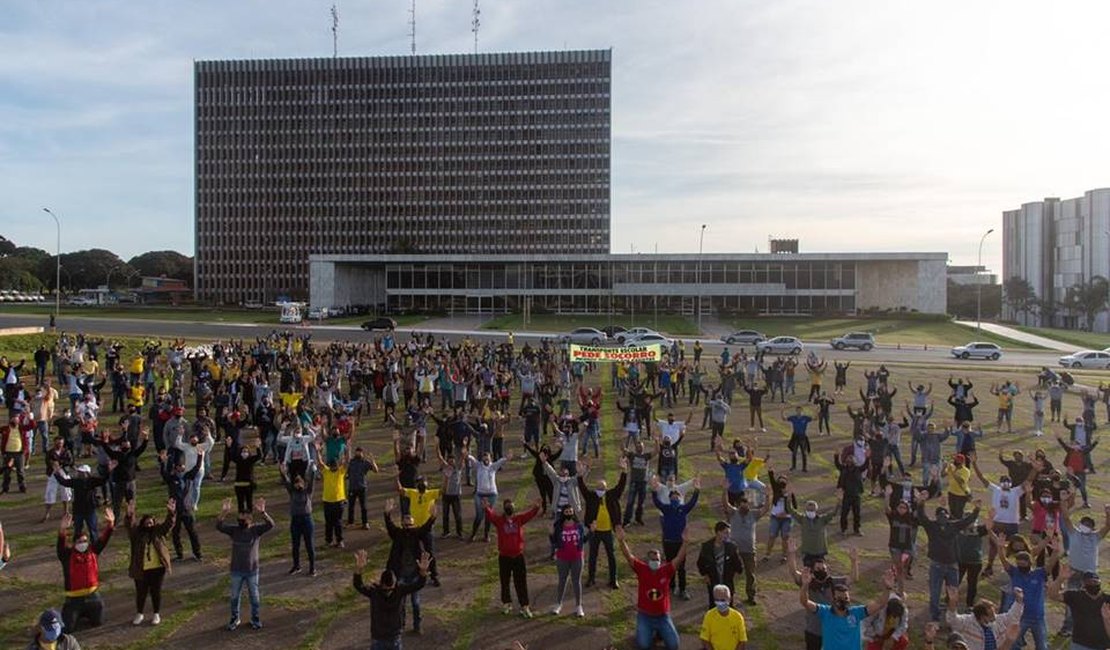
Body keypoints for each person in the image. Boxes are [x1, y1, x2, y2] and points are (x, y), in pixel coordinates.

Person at [617, 524, 689, 650]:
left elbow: (679, 558)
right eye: (652, 559)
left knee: (674, 645)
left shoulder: (666, 570)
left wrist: (685, 542)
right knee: (643, 645)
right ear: (647, 560)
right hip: (645, 615)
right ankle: (649, 631)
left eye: (657, 559)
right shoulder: (642, 569)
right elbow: (629, 556)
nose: (655, 562)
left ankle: (658, 632)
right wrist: (621, 540)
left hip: (663, 616)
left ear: (661, 561)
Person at [798, 565, 897, 650]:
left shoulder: (857, 613)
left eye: (846, 598)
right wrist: (805, 585)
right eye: (840, 598)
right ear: (833, 599)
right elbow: (805, 602)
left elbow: (880, 603)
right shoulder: (825, 612)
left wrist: (887, 588)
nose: (843, 601)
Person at [917, 496, 981, 621]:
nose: (943, 516)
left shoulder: (953, 526)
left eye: (945, 514)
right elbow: (921, 517)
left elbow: (968, 520)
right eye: (940, 514)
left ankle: (952, 617)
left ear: (948, 516)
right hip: (937, 565)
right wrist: (921, 503)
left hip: (952, 565)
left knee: (953, 594)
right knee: (935, 594)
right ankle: (935, 618)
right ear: (936, 516)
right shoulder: (931, 526)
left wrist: (977, 509)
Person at [353, 548, 431, 650]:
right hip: (394, 637)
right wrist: (423, 571)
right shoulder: (400, 591)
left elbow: (358, 585)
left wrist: (359, 569)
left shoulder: (374, 592)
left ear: (381, 582)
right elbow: (418, 585)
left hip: (378, 636)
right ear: (395, 583)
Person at [216, 496, 274, 631]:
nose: (241, 519)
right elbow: (219, 526)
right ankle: (234, 618)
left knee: (254, 597)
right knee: (234, 597)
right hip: (236, 570)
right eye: (240, 517)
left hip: (252, 570)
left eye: (244, 517)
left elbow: (271, 525)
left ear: (250, 519)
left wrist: (263, 513)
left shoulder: (255, 530)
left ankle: (255, 619)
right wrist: (224, 512)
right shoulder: (234, 530)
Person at [1057, 501, 1110, 637]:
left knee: (1092, 601)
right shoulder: (1074, 533)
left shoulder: (1095, 537)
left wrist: (1108, 514)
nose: (1086, 527)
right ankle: (1067, 627)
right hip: (1074, 572)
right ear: (1080, 524)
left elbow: (1107, 526)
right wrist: (1063, 504)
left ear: (1092, 528)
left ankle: (1093, 626)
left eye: (1089, 525)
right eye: (1084, 524)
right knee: (1070, 601)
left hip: (1090, 576)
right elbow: (1067, 518)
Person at [383, 497, 436, 635]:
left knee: (416, 603)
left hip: (413, 576)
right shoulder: (398, 535)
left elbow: (426, 527)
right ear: (402, 525)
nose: (408, 528)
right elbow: (389, 526)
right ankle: (401, 625)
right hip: (400, 575)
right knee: (400, 604)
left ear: (414, 525)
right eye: (406, 525)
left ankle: (417, 626)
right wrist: (387, 514)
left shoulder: (416, 534)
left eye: (410, 525)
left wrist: (432, 517)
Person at [57, 508, 115, 632]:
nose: (82, 543)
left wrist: (110, 524)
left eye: (85, 541)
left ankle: (85, 613)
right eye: (79, 541)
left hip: (92, 596)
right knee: (68, 628)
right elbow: (61, 545)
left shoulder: (92, 551)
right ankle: (75, 613)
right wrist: (62, 530)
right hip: (73, 599)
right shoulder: (67, 555)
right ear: (73, 543)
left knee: (98, 622)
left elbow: (104, 540)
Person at [991, 531, 1048, 650]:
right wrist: (1000, 547)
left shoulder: (1038, 573)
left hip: (1037, 617)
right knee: (1013, 641)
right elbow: (1003, 560)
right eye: (1019, 563)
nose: (1021, 565)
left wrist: (1050, 540)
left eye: (1023, 563)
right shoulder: (1014, 571)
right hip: (1017, 608)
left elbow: (1045, 555)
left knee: (1042, 645)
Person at [486, 497, 542, 618]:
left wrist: (536, 507)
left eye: (511, 506)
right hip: (504, 556)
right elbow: (491, 516)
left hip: (518, 556)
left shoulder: (519, 519)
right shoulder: (500, 521)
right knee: (504, 581)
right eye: (507, 506)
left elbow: (529, 515)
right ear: (505, 509)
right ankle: (506, 603)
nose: (509, 508)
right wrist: (487, 508)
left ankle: (524, 606)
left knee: (521, 582)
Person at [124, 498, 175, 626]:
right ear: (142, 524)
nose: (149, 525)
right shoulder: (137, 535)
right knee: (141, 593)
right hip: (141, 569)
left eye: (151, 523)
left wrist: (171, 513)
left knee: (156, 592)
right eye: (147, 523)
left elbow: (168, 524)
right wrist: (130, 514)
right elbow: (130, 526)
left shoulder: (158, 532)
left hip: (157, 569)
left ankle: (156, 614)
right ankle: (139, 614)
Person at [578, 457, 627, 589]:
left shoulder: (611, 495)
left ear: (606, 488)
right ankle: (591, 578)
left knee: (611, 556)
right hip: (595, 532)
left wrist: (624, 471)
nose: (601, 489)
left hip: (608, 532)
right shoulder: (591, 496)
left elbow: (621, 486)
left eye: (603, 487)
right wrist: (580, 475)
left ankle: (613, 579)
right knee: (593, 556)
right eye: (599, 487)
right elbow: (582, 488)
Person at [653, 477, 700, 599]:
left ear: (680, 498)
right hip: (668, 541)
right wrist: (653, 490)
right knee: (670, 565)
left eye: (677, 496)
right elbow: (657, 502)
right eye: (673, 497)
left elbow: (692, 502)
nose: (675, 498)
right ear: (669, 499)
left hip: (681, 542)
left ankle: (683, 589)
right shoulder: (666, 509)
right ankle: (671, 586)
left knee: (682, 567)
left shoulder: (684, 509)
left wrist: (697, 490)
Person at [1048, 564, 1110, 650]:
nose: (1092, 584)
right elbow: (1053, 595)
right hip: (1079, 644)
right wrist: (1060, 579)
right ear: (1084, 584)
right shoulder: (1075, 596)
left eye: (1095, 582)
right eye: (1089, 582)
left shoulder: (1107, 600)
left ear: (1100, 583)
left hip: (1101, 646)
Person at [157, 449, 203, 561]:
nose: (181, 468)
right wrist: (162, 462)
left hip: (187, 510)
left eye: (183, 466)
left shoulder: (188, 477)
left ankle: (198, 554)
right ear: (175, 467)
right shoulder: (171, 479)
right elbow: (163, 473)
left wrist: (200, 456)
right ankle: (179, 554)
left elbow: (197, 468)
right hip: (175, 511)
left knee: (192, 532)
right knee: (176, 533)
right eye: (179, 466)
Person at [397, 474, 440, 585]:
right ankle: (417, 573)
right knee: (415, 552)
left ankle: (434, 575)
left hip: (426, 528)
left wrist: (447, 477)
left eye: (422, 482)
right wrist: (396, 477)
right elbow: (400, 490)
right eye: (419, 482)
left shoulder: (431, 493)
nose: (421, 484)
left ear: (426, 483)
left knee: (430, 553)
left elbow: (443, 491)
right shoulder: (413, 493)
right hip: (414, 529)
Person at [551, 503, 591, 617]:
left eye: (570, 512)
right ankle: (559, 604)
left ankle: (579, 606)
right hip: (562, 558)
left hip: (577, 557)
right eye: (567, 512)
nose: (569, 513)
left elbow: (583, 540)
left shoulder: (578, 526)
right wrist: (551, 534)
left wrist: (591, 531)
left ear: (573, 513)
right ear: (563, 513)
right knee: (562, 581)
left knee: (576, 581)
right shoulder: (558, 526)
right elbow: (554, 541)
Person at [279, 463, 317, 576]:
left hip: (307, 520)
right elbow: (286, 482)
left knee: (309, 545)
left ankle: (312, 568)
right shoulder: (292, 492)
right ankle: (296, 566)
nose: (298, 485)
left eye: (300, 483)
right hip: (295, 521)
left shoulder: (308, 492)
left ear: (303, 484)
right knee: (295, 545)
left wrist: (313, 471)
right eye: (296, 483)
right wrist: (282, 472)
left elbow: (312, 482)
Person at [696, 521, 744, 609]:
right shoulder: (706, 547)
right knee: (713, 605)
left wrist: (737, 574)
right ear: (718, 532)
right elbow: (700, 563)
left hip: (727, 581)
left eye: (728, 533)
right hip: (713, 580)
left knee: (728, 606)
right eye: (725, 533)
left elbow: (737, 563)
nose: (727, 536)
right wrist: (705, 575)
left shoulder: (731, 547)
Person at [788, 492, 841, 567]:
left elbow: (834, 513)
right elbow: (791, 510)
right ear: (805, 510)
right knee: (808, 572)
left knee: (819, 572)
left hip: (820, 552)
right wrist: (788, 499)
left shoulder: (822, 519)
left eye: (812, 510)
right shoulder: (802, 519)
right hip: (807, 552)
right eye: (808, 510)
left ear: (816, 510)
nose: (810, 512)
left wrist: (839, 501)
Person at [698, 584, 748, 650]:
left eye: (722, 600)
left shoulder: (737, 617)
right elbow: (704, 639)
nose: (720, 603)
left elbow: (742, 641)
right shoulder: (709, 616)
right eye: (717, 600)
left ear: (729, 599)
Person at [320, 454, 349, 549]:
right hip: (328, 501)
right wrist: (317, 452)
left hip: (338, 501)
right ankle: (329, 541)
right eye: (332, 466)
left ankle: (339, 540)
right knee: (328, 523)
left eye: (335, 466)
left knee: (338, 522)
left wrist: (348, 450)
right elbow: (320, 462)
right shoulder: (326, 471)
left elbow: (347, 462)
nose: (334, 468)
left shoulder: (341, 471)